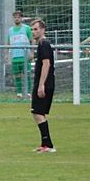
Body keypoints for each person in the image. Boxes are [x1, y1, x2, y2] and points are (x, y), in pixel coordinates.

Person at [30, 18, 56, 153]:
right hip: (43, 82)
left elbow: (47, 64)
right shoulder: (41, 44)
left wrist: (41, 85)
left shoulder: (44, 44)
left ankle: (48, 145)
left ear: (42, 30)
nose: (33, 32)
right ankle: (45, 144)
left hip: (45, 83)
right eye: (32, 29)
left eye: (36, 29)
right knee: (38, 113)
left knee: (38, 113)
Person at [6, 10, 33, 98]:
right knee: (17, 75)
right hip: (15, 56)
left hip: (25, 56)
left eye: (18, 17)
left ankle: (28, 92)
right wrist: (7, 54)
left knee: (27, 74)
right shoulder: (10, 30)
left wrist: (32, 53)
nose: (17, 19)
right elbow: (8, 43)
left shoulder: (26, 28)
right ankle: (19, 93)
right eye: (15, 17)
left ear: (21, 18)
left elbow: (32, 41)